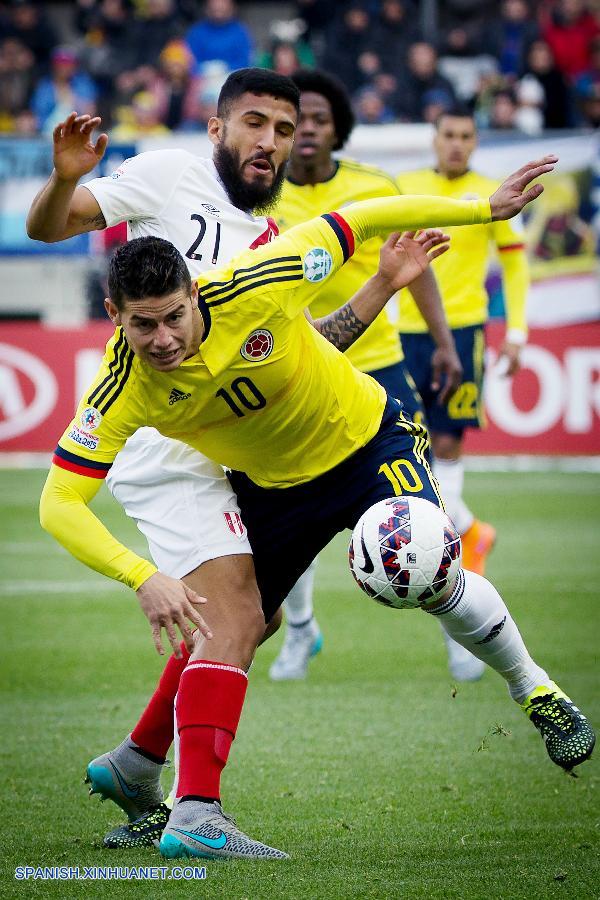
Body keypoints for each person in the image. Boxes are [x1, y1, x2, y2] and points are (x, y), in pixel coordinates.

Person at [39, 163, 595, 861]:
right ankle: (162, 785)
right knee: (237, 619)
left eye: (175, 316)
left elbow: (362, 219)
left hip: (366, 443)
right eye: (143, 326)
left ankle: (534, 688)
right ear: (116, 318)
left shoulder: (258, 280)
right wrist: (140, 575)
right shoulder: (119, 388)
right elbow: (59, 501)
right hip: (276, 489)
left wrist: (484, 207)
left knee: (425, 564)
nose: (165, 340)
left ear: (194, 293)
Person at [27, 66, 442, 852]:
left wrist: (385, 285)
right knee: (238, 616)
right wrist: (62, 179)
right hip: (160, 437)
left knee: (256, 614)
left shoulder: (265, 239)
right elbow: (51, 226)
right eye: (255, 123)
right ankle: (195, 814)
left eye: (283, 132)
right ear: (218, 128)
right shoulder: (170, 173)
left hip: (228, 439)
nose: (270, 142)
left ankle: (137, 763)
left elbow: (301, 349)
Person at [269, 68, 477, 683]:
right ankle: (301, 632)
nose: (305, 130)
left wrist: (442, 343)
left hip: (380, 366)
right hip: (299, 374)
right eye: (296, 120)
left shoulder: (371, 187)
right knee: (287, 510)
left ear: (338, 131)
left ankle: (461, 636)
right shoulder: (262, 195)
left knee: (425, 513)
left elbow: (419, 266)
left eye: (318, 120)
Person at [396, 107, 529, 584]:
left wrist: (516, 333)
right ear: (434, 139)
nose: (456, 143)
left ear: (475, 142)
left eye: (465, 136)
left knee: (449, 439)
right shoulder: (404, 185)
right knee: (412, 444)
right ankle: (470, 530)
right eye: (448, 135)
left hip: (466, 331)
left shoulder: (492, 195)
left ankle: (451, 539)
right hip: (403, 333)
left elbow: (514, 263)